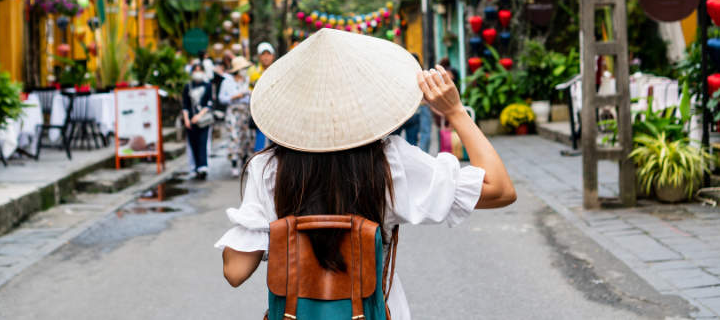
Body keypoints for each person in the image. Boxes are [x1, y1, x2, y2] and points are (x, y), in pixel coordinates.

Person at [215, 29, 516, 320]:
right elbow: (500, 190)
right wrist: (456, 111)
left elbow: (235, 271)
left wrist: (276, 230)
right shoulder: (390, 161)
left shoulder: (268, 169)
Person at [219, 56, 253, 177]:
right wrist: (234, 97)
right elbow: (221, 98)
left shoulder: (247, 80)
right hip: (233, 111)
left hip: (246, 111)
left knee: (246, 137)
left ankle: (244, 162)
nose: (245, 71)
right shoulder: (226, 82)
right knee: (234, 137)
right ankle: (234, 164)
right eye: (243, 68)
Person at [181, 63, 213, 179]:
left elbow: (209, 103)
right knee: (193, 143)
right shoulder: (188, 86)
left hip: (203, 120)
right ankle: (195, 166)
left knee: (203, 142)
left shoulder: (208, 85)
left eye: (200, 70)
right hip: (190, 120)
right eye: (195, 70)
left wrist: (199, 116)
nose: (197, 73)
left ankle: (203, 166)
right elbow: (185, 105)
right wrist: (186, 119)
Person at [248, 42, 276, 152]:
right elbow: (249, 89)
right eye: (263, 54)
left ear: (273, 56)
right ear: (259, 56)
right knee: (259, 137)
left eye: (268, 54)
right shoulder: (253, 72)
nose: (266, 57)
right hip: (259, 109)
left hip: (275, 109)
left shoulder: (278, 69)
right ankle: (258, 158)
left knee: (275, 139)